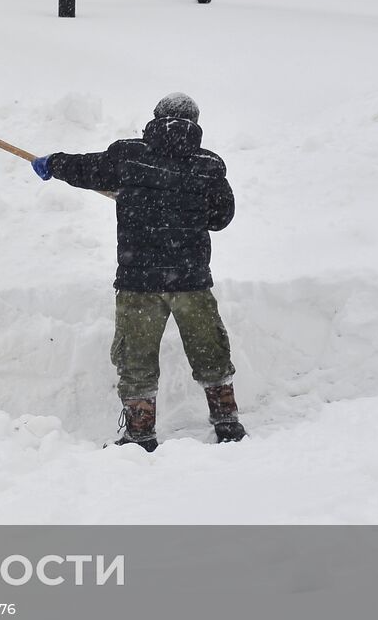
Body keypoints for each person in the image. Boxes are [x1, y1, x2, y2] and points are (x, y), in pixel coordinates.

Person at [31, 93, 246, 451]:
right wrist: (187, 212)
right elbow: (221, 218)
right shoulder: (209, 164)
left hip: (139, 280)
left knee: (136, 356)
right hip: (190, 279)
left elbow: (85, 169)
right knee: (209, 349)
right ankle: (227, 423)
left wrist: (53, 163)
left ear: (156, 117)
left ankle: (140, 433)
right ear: (195, 122)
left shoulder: (128, 154)